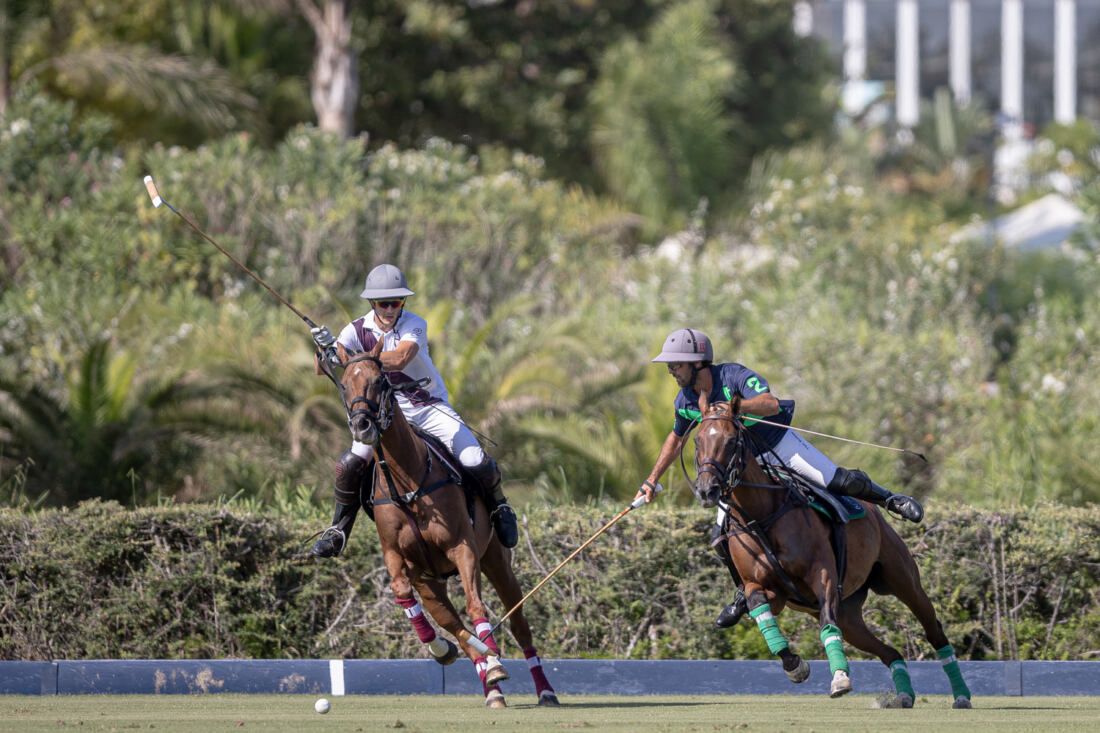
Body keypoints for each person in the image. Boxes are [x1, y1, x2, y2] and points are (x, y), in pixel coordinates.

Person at [635, 328, 923, 629]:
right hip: (742, 465)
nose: (671, 370)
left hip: (777, 444)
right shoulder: (685, 400)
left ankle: (890, 499)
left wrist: (734, 408)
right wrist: (651, 480)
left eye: (676, 364)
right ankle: (743, 591)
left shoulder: (733, 376)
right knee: (720, 537)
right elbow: (676, 437)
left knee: (835, 479)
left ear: (698, 364)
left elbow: (770, 403)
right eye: (670, 365)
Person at [309, 263, 519, 557]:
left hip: (429, 408)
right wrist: (325, 350)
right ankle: (338, 529)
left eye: (397, 302)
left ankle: (499, 506)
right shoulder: (355, 329)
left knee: (474, 458)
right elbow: (322, 370)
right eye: (384, 303)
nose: (391, 308)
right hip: (386, 417)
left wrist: (351, 358)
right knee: (350, 464)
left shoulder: (414, 323)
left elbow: (401, 358)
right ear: (372, 303)